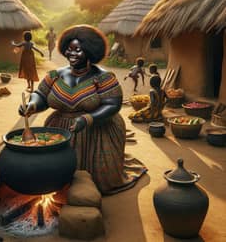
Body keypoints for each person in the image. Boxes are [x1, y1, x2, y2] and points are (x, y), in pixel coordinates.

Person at [19, 24, 147, 195]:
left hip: (97, 129)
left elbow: (112, 105)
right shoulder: (55, 75)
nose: (71, 54)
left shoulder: (103, 77)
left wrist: (87, 118)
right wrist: (32, 105)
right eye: (69, 50)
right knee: (57, 175)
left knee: (92, 182)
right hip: (60, 130)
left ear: (90, 51)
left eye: (78, 50)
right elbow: (41, 95)